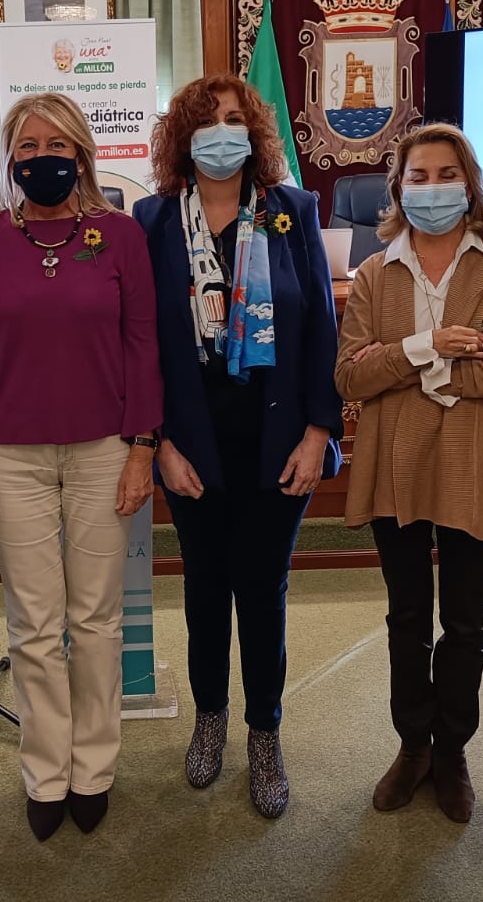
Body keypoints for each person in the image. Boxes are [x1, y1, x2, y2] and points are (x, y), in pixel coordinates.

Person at [133, 74, 342, 819]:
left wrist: (318, 433)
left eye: (233, 120)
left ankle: (264, 734)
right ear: (182, 138)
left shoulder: (292, 210)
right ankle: (210, 718)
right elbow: (141, 344)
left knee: (261, 589)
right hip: (192, 447)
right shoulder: (153, 219)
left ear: (253, 133)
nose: (221, 133)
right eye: (205, 121)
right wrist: (159, 444)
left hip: (278, 443)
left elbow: (322, 326)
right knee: (203, 588)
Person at [0, 92, 163, 841]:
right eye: (27, 145)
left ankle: (93, 767)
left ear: (81, 154)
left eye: (57, 144)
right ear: (9, 158)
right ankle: (45, 771)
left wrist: (142, 448)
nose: (41, 156)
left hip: (104, 449)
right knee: (33, 623)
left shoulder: (121, 235)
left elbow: (143, 343)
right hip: (10, 455)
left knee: (96, 619)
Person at [333, 123, 483, 824]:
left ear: (470, 184)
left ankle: (452, 751)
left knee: (465, 623)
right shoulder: (373, 272)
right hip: (396, 461)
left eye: (446, 174)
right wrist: (431, 346)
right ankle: (412, 746)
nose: (432, 188)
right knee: (407, 618)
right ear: (398, 188)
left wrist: (408, 367)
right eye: (417, 176)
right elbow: (349, 376)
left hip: (475, 460)